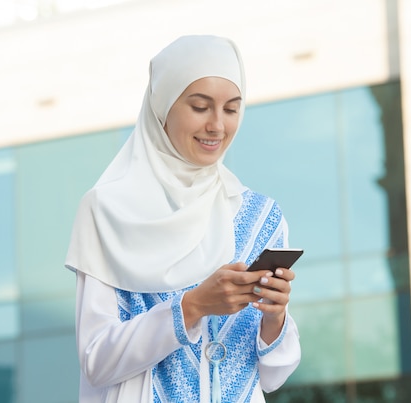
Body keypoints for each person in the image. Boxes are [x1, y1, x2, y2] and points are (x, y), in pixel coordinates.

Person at [65, 34, 301, 403]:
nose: (217, 126)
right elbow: (96, 360)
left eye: (231, 109)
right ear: (163, 106)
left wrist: (275, 316)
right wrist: (191, 308)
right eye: (200, 106)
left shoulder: (260, 217)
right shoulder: (107, 210)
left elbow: (274, 375)